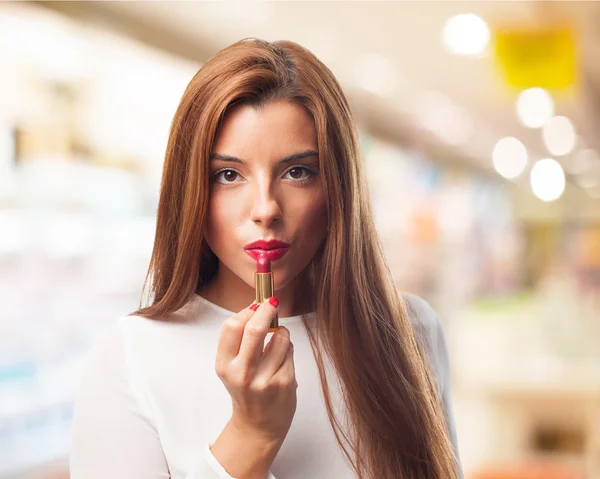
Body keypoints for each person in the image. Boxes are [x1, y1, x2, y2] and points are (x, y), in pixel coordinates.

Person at [70, 38, 462, 479]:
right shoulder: (131, 357)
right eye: (228, 175)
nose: (265, 208)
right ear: (191, 190)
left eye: (298, 172)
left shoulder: (411, 332)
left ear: (338, 186)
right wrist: (250, 434)